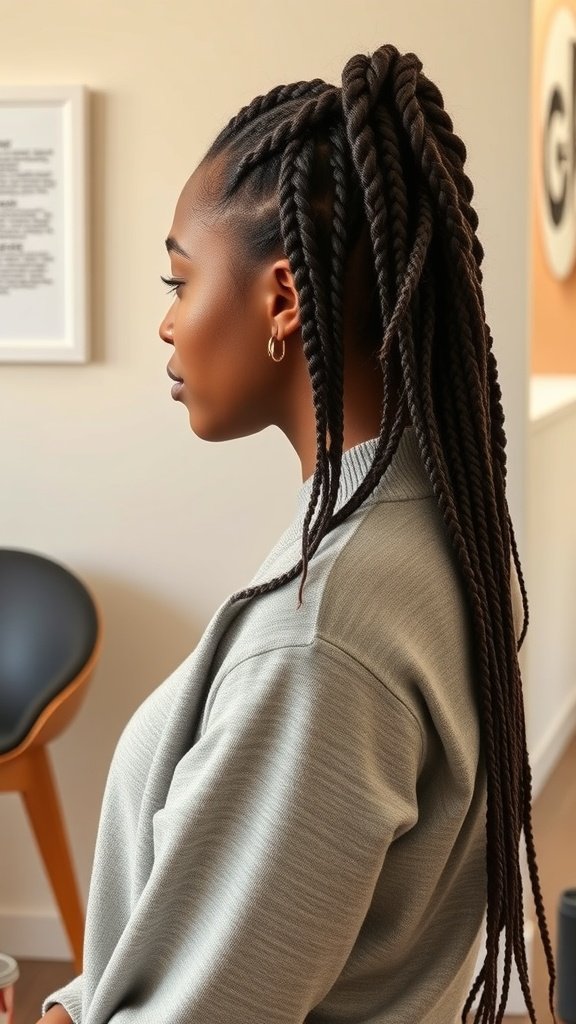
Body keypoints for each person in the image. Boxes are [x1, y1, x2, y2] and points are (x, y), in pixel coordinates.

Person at [39, 42, 556, 1024]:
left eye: (178, 281)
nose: (166, 324)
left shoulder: (324, 640)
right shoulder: (428, 528)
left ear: (281, 297)